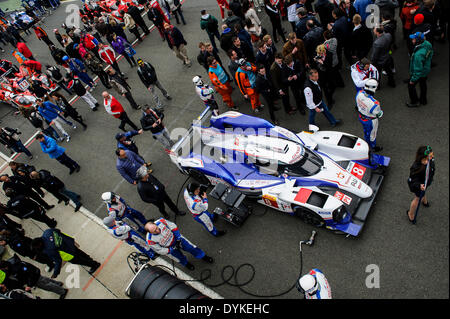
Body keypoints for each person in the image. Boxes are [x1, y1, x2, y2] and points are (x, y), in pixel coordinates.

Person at [145, 218, 213, 271]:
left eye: (156, 228)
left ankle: (203, 256)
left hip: (176, 239)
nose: (157, 231)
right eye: (154, 231)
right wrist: (170, 249)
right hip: (169, 248)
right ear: (149, 232)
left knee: (191, 247)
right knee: (179, 258)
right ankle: (186, 264)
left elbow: (173, 226)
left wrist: (178, 238)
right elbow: (159, 250)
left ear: (155, 223)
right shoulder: (150, 240)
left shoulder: (161, 221)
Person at [31, 228, 101, 278]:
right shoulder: (47, 232)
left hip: (68, 254)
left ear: (39, 244)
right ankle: (89, 258)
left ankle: (94, 264)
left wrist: (56, 273)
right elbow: (58, 230)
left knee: (81, 260)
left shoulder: (48, 250)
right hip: (69, 243)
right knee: (80, 253)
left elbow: (58, 261)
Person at [0, 257, 68, 299]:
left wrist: (29, 284)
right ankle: (58, 284)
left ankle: (62, 291)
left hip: (33, 278)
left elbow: (28, 273)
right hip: (35, 275)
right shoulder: (14, 264)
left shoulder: (15, 269)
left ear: (5, 267)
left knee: (47, 286)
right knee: (45, 280)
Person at [406, 145, 435, 223]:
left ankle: (424, 200)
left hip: (425, 183)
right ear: (422, 158)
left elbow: (432, 169)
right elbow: (413, 179)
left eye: (432, 155)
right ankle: (411, 214)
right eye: (430, 156)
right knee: (417, 198)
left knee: (423, 192)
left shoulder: (430, 161)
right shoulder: (416, 167)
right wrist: (419, 185)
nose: (432, 158)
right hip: (418, 185)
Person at [356, 78, 383, 152]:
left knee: (366, 131)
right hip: (371, 121)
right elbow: (379, 114)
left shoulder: (359, 93)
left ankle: (366, 143)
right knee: (373, 134)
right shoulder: (375, 103)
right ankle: (373, 147)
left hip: (361, 117)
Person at [406, 32, 433, 107]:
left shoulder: (418, 55)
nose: (412, 40)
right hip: (426, 69)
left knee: (410, 86)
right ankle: (423, 100)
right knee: (423, 83)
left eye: (414, 39)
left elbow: (418, 70)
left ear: (418, 41)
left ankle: (414, 102)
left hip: (420, 72)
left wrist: (412, 80)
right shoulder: (427, 44)